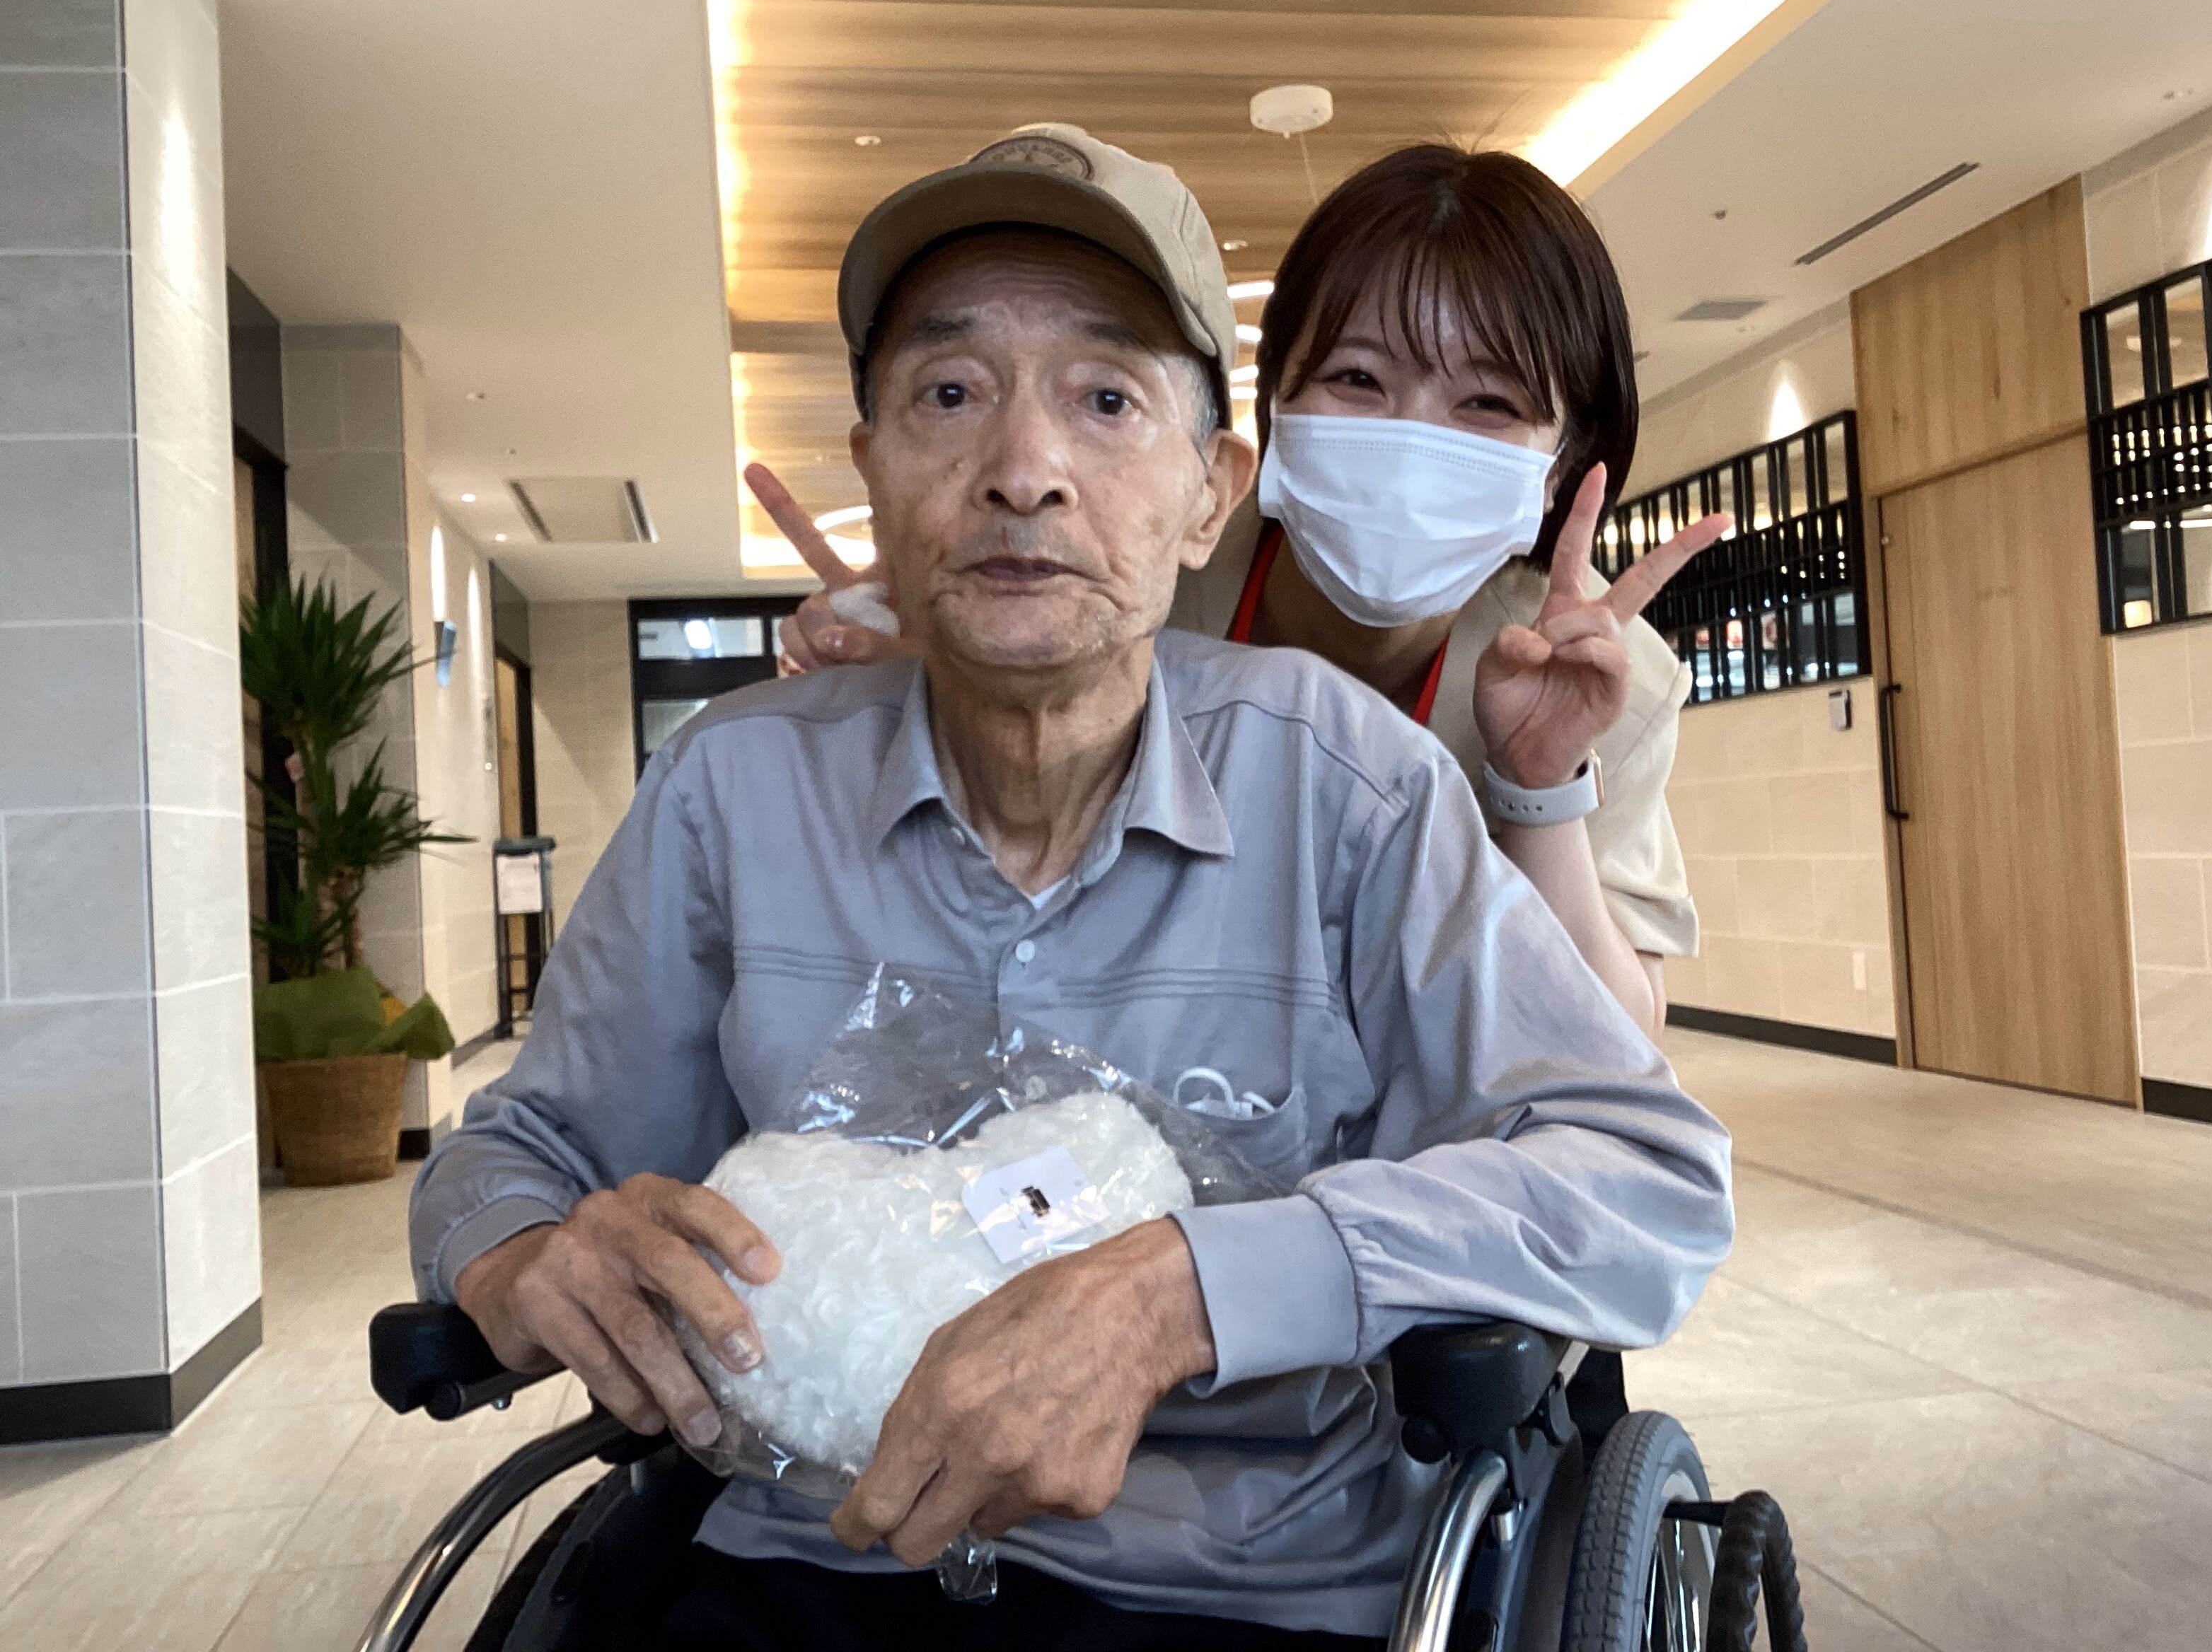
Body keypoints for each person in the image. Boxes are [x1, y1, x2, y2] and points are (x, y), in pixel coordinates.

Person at [412, 125, 1733, 1649]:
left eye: (1107, 401)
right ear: (873, 471)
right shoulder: (737, 785)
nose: (1023, 471)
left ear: (1212, 491)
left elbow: (1639, 1167)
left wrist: (1185, 1291)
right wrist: (526, 1252)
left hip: (1243, 1585)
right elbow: (527, 1144)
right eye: (949, 395)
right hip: (803, 1562)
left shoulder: (1357, 779)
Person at [763, 143, 1728, 1045]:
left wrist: (1541, 785)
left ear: (1563, 463)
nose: (1410, 442)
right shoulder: (1132, 587)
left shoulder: (1603, 681)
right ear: (1277, 402)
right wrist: (943, 672)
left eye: (1489, 403)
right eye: (1358, 378)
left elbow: (1610, 1049)